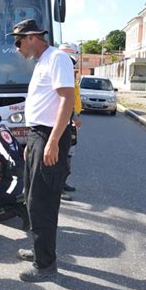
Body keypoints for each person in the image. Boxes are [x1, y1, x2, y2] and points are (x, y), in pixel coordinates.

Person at [8, 19, 75, 282]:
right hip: (40, 136)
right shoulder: (43, 61)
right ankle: (40, 251)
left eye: (18, 41)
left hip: (49, 135)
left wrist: (52, 141)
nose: (17, 48)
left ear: (32, 37)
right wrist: (33, 144)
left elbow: (67, 99)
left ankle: (45, 264)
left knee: (43, 202)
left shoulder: (57, 58)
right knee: (32, 198)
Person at [58, 43, 83, 201]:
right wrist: (73, 116)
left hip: (70, 120)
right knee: (62, 156)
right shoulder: (62, 72)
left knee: (69, 154)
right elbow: (63, 99)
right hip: (64, 120)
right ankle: (58, 188)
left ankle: (63, 183)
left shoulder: (69, 72)